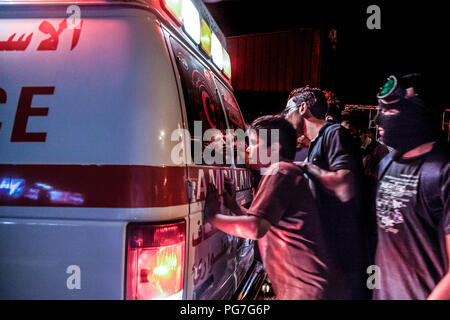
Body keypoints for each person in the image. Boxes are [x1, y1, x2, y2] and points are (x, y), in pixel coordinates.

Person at [204, 115, 329, 300]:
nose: (248, 148)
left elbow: (255, 228)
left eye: (253, 142)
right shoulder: (287, 171)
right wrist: (234, 206)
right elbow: (266, 221)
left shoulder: (279, 171)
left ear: (274, 149)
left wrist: (213, 216)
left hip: (305, 291)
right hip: (307, 288)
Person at [284, 87, 369, 299]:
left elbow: (344, 184)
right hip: (329, 256)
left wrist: (304, 168)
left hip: (344, 258)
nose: (285, 117)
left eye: (288, 110)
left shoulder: (334, 133)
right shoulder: (318, 142)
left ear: (303, 108)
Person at [373, 74, 450, 300]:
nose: (381, 120)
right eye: (382, 111)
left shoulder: (443, 172)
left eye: (391, 112)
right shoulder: (386, 163)